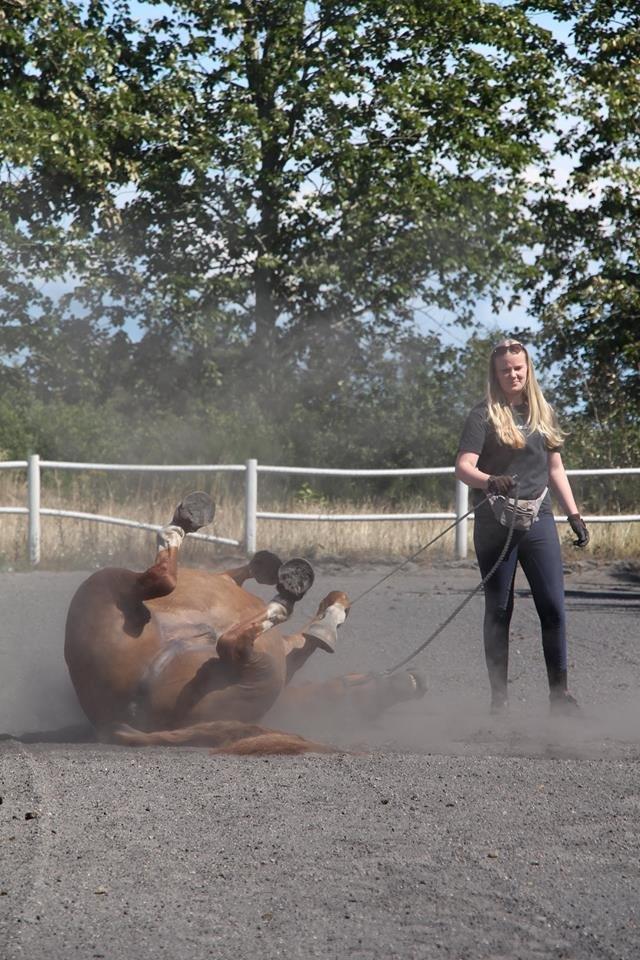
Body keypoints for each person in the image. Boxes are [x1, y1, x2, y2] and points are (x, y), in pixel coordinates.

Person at [455, 339, 590, 715]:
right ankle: (499, 700)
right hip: (495, 521)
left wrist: (574, 514)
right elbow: (463, 467)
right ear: (495, 374)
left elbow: (554, 469)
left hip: (538, 519)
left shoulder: (542, 413)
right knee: (499, 609)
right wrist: (488, 480)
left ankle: (559, 696)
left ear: (527, 369)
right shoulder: (482, 415)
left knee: (553, 607)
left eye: (518, 368)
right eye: (505, 370)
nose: (513, 374)